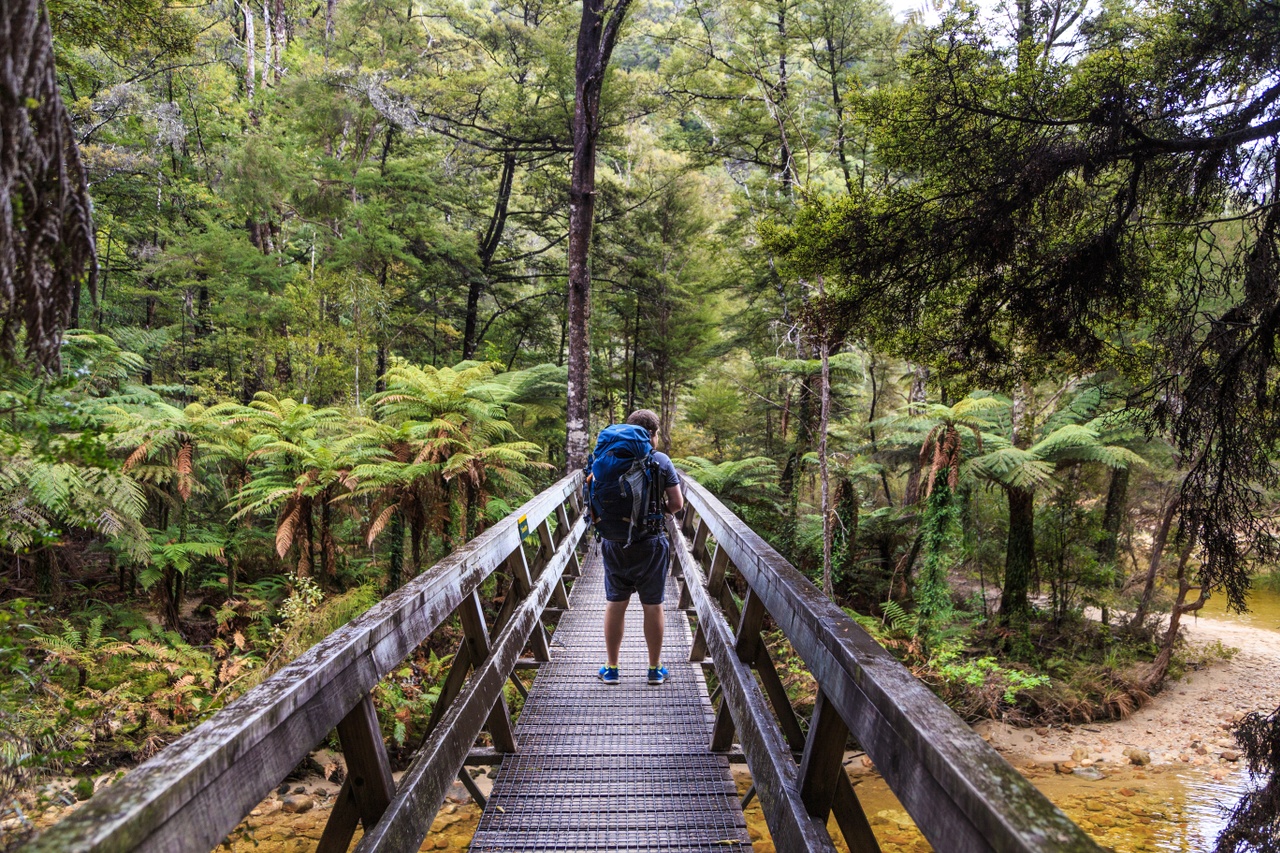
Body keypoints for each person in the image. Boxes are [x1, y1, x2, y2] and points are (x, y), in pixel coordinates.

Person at [595, 409, 684, 686]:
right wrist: (659, 514)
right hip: (650, 543)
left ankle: (611, 668)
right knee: (653, 605)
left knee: (615, 603)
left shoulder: (606, 456)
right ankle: (655, 669)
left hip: (614, 541)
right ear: (653, 435)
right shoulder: (660, 460)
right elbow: (677, 503)